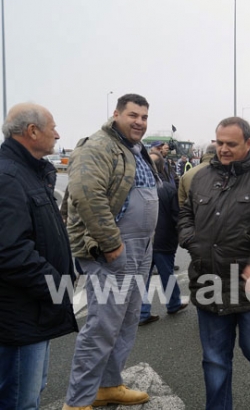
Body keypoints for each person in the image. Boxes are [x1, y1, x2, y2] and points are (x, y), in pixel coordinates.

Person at [179, 116, 250, 410]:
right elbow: (185, 213)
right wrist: (192, 240)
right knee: (215, 361)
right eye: (219, 143)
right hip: (209, 282)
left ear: (249, 144)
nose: (223, 149)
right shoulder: (201, 177)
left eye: (231, 144)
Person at [63, 94, 158, 409]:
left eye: (144, 117)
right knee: (102, 325)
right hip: (114, 249)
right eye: (133, 115)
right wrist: (111, 242)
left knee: (127, 319)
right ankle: (78, 401)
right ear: (116, 113)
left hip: (140, 248)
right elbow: (85, 194)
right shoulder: (99, 146)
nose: (139, 122)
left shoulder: (135, 149)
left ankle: (108, 385)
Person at [0, 103, 78, 410]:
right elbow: (10, 251)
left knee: (29, 392)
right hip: (21, 313)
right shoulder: (9, 177)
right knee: (21, 399)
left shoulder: (29, 172)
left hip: (34, 309)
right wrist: (56, 286)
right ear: (32, 131)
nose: (57, 134)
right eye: (53, 128)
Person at [138, 170, 188, 326]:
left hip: (143, 239)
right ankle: (173, 303)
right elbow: (176, 215)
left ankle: (142, 311)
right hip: (164, 239)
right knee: (167, 273)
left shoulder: (137, 188)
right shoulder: (167, 188)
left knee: (143, 276)